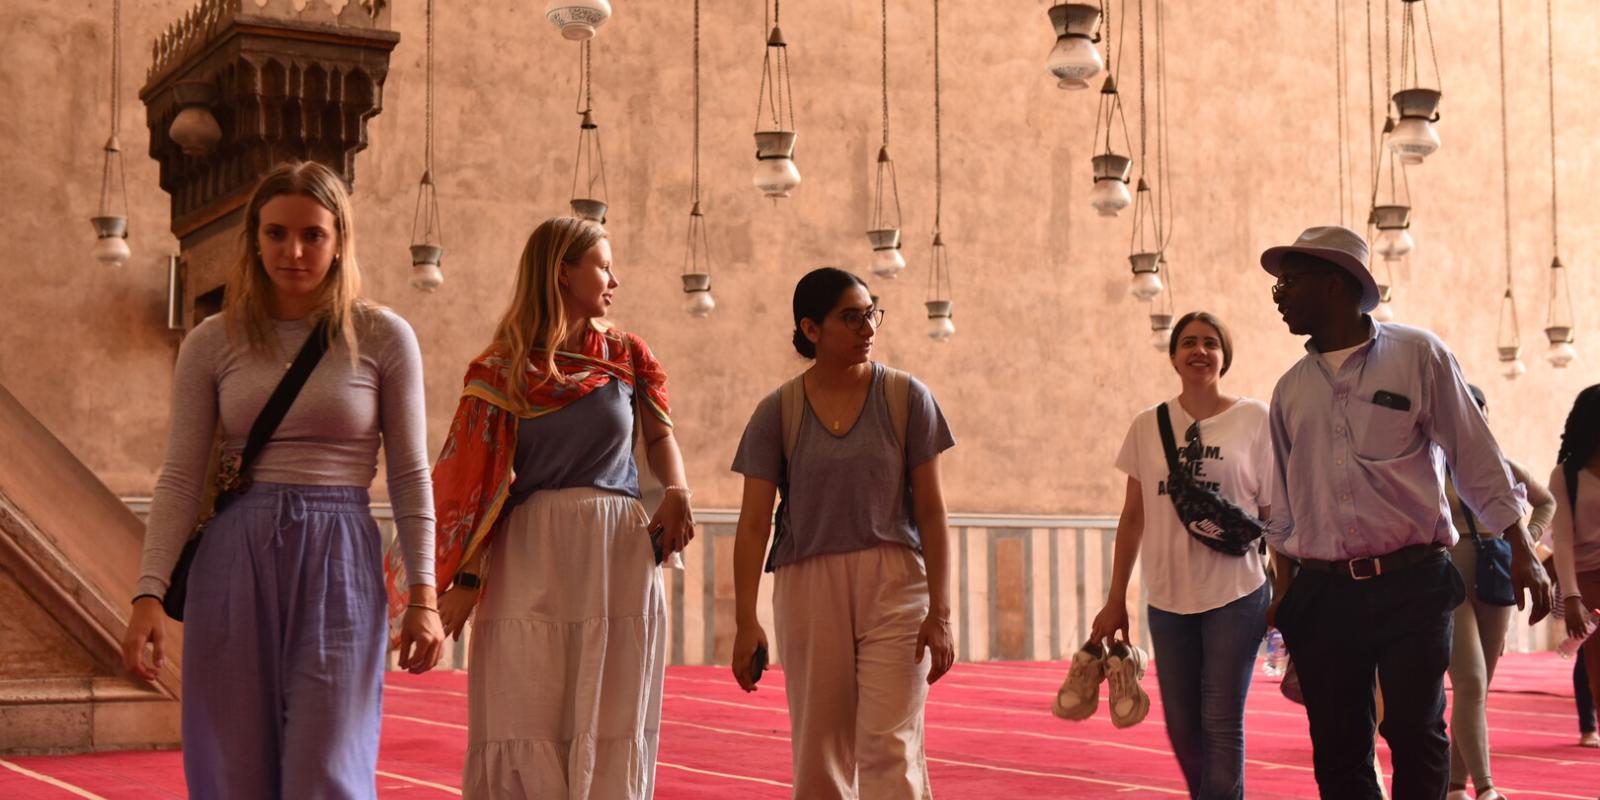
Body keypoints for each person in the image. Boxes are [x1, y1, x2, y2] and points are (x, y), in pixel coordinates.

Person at [120, 160, 445, 797]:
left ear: (339, 240)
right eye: (276, 233)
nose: (293, 251)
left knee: (328, 766)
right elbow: (181, 477)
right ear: (254, 239)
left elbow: (410, 475)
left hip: (340, 558)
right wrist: (147, 595)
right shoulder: (212, 342)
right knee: (232, 767)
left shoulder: (383, 336)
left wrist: (425, 596)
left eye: (312, 234)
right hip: (234, 558)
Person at [1259, 225, 1553, 799]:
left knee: (1416, 735)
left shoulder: (1420, 355)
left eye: (1290, 281)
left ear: (1335, 284)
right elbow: (1285, 504)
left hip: (1413, 584)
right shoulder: (1289, 390)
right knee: (1338, 747)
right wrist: (1285, 596)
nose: (1279, 295)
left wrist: (1523, 547)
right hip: (1324, 593)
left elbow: (1475, 455)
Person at [427, 217, 694, 799]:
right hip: (530, 550)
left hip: (616, 550)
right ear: (563, 272)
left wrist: (677, 491)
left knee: (613, 708)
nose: (614, 281)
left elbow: (659, 437)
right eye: (604, 266)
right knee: (525, 710)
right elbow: (472, 482)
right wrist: (466, 578)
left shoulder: (628, 354)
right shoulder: (500, 368)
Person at [728, 267, 956, 799]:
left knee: (890, 748)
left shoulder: (907, 397)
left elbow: (932, 511)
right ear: (811, 329)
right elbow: (753, 524)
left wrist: (941, 613)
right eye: (851, 318)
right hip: (808, 586)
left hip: (896, 582)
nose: (867, 328)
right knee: (820, 752)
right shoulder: (777, 411)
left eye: (871, 313)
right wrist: (744, 621)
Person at [1083, 310, 1272, 799]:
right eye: (1188, 342)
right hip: (1168, 598)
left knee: (1221, 720)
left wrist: (1286, 591)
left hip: (1237, 592)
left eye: (1211, 342)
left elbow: (1275, 514)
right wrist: (1115, 599)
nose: (1199, 351)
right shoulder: (1148, 425)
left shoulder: (1255, 419)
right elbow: (1133, 516)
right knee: (1183, 726)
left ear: (1224, 356)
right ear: (1173, 357)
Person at [1444, 385, 1556, 800]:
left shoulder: (1504, 466)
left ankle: (1455, 786)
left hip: (1497, 572)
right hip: (1450, 578)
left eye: (1479, 413)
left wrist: (1527, 539)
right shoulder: (1433, 468)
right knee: (1470, 680)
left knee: (1479, 687)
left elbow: (1546, 502)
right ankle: (1486, 787)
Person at [1549, 384, 1600, 750]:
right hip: (1588, 582)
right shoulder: (1566, 475)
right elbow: (1562, 542)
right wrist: (1571, 597)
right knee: (1596, 674)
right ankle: (1589, 724)